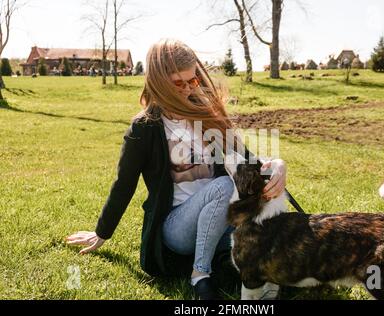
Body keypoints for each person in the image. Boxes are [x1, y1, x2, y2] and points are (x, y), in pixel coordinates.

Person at [65, 39, 287, 300]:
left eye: (192, 81)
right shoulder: (144, 128)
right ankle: (200, 275)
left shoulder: (206, 114)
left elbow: (245, 159)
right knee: (224, 187)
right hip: (177, 227)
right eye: (178, 83)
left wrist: (277, 166)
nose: (188, 89)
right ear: (158, 82)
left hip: (222, 220)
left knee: (274, 223)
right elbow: (124, 184)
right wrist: (102, 232)